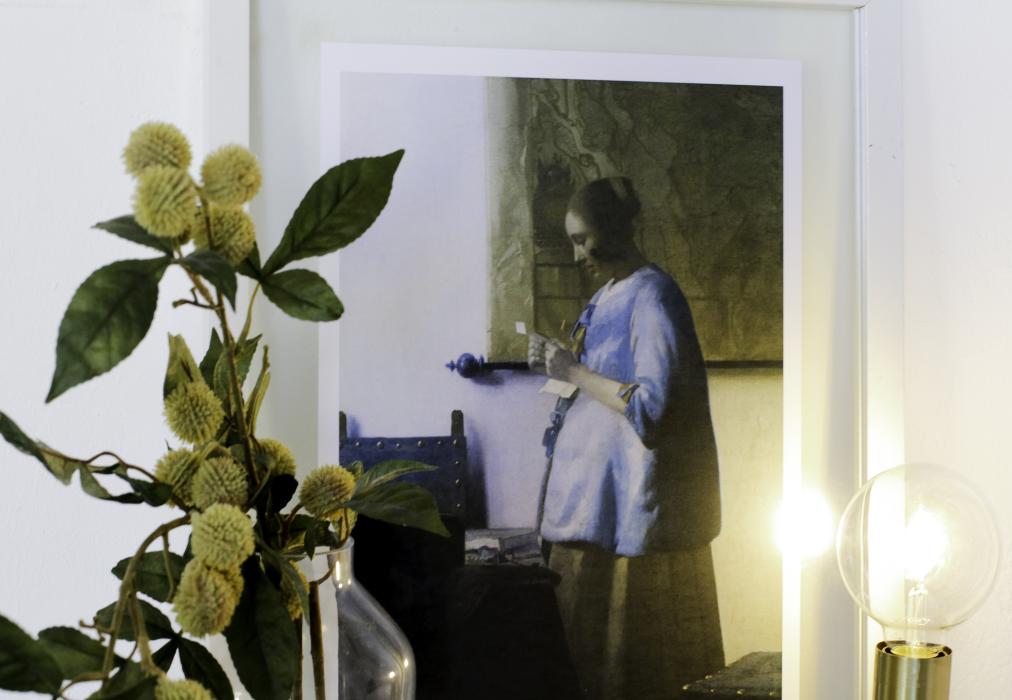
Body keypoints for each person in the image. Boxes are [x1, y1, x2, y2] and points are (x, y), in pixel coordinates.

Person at [528, 177, 725, 700]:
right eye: (571, 241)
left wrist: (574, 371)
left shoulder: (655, 295)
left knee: (632, 672)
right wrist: (559, 367)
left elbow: (654, 410)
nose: (577, 255)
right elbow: (595, 386)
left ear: (615, 229)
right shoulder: (606, 296)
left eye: (583, 239)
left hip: (631, 519)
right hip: (592, 513)